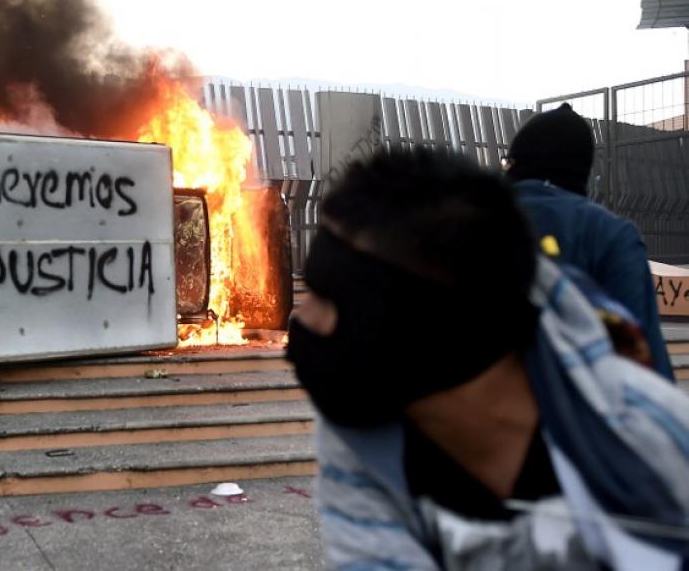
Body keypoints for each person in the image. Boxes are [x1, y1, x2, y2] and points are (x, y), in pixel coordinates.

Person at [287, 149, 689, 569]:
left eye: (329, 296)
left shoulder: (659, 447)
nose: (302, 317)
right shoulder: (362, 442)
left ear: (433, 324)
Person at [505, 103, 674, 381]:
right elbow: (643, 359)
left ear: (519, 165)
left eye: (507, 163)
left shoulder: (466, 223)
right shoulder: (610, 234)